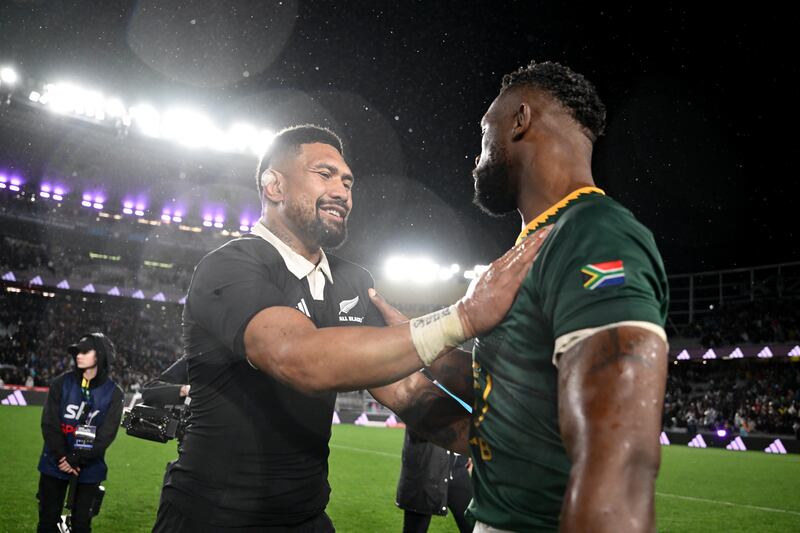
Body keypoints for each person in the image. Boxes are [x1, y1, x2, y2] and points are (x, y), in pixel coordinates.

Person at [152, 125, 550, 532]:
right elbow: (300, 360)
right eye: (324, 174)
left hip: (307, 517)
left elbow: (407, 392)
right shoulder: (231, 266)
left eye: (347, 181)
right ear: (274, 186)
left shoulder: (354, 281)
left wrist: (506, 449)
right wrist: (462, 317)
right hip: (213, 517)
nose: (342, 191)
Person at [370, 61, 669, 532]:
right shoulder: (534, 246)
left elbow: (621, 461)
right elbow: (508, 399)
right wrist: (401, 356)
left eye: (483, 131)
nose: (476, 155)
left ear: (520, 120)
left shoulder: (594, 234)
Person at [37, 332, 124, 533]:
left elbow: (105, 436)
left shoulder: (114, 393)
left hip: (89, 469)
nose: (78, 355)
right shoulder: (61, 383)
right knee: (47, 523)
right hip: (54, 464)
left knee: (81, 526)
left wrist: (76, 458)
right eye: (77, 351)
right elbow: (49, 424)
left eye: (85, 351)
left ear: (100, 356)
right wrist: (64, 457)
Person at [396, 429, 473, 533]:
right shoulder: (418, 412)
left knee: (473, 526)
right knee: (416, 528)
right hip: (426, 474)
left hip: (458, 471)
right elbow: (416, 430)